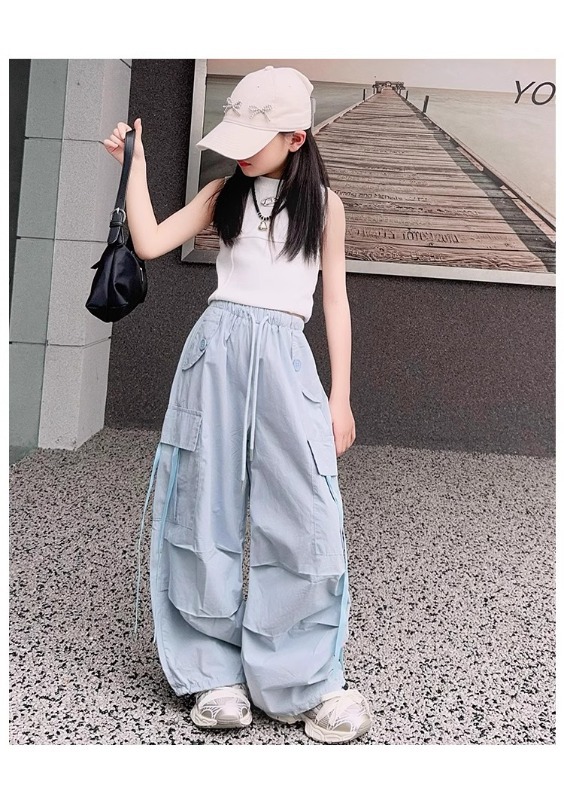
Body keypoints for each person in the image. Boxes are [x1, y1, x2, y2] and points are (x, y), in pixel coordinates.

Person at [103, 65, 372, 744]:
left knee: (307, 520)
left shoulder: (325, 206)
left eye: (256, 139)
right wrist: (134, 169)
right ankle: (212, 675)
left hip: (287, 361)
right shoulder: (224, 192)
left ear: (296, 137)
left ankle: (303, 682)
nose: (241, 152)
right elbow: (150, 242)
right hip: (216, 353)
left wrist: (339, 397)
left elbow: (335, 301)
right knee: (202, 508)